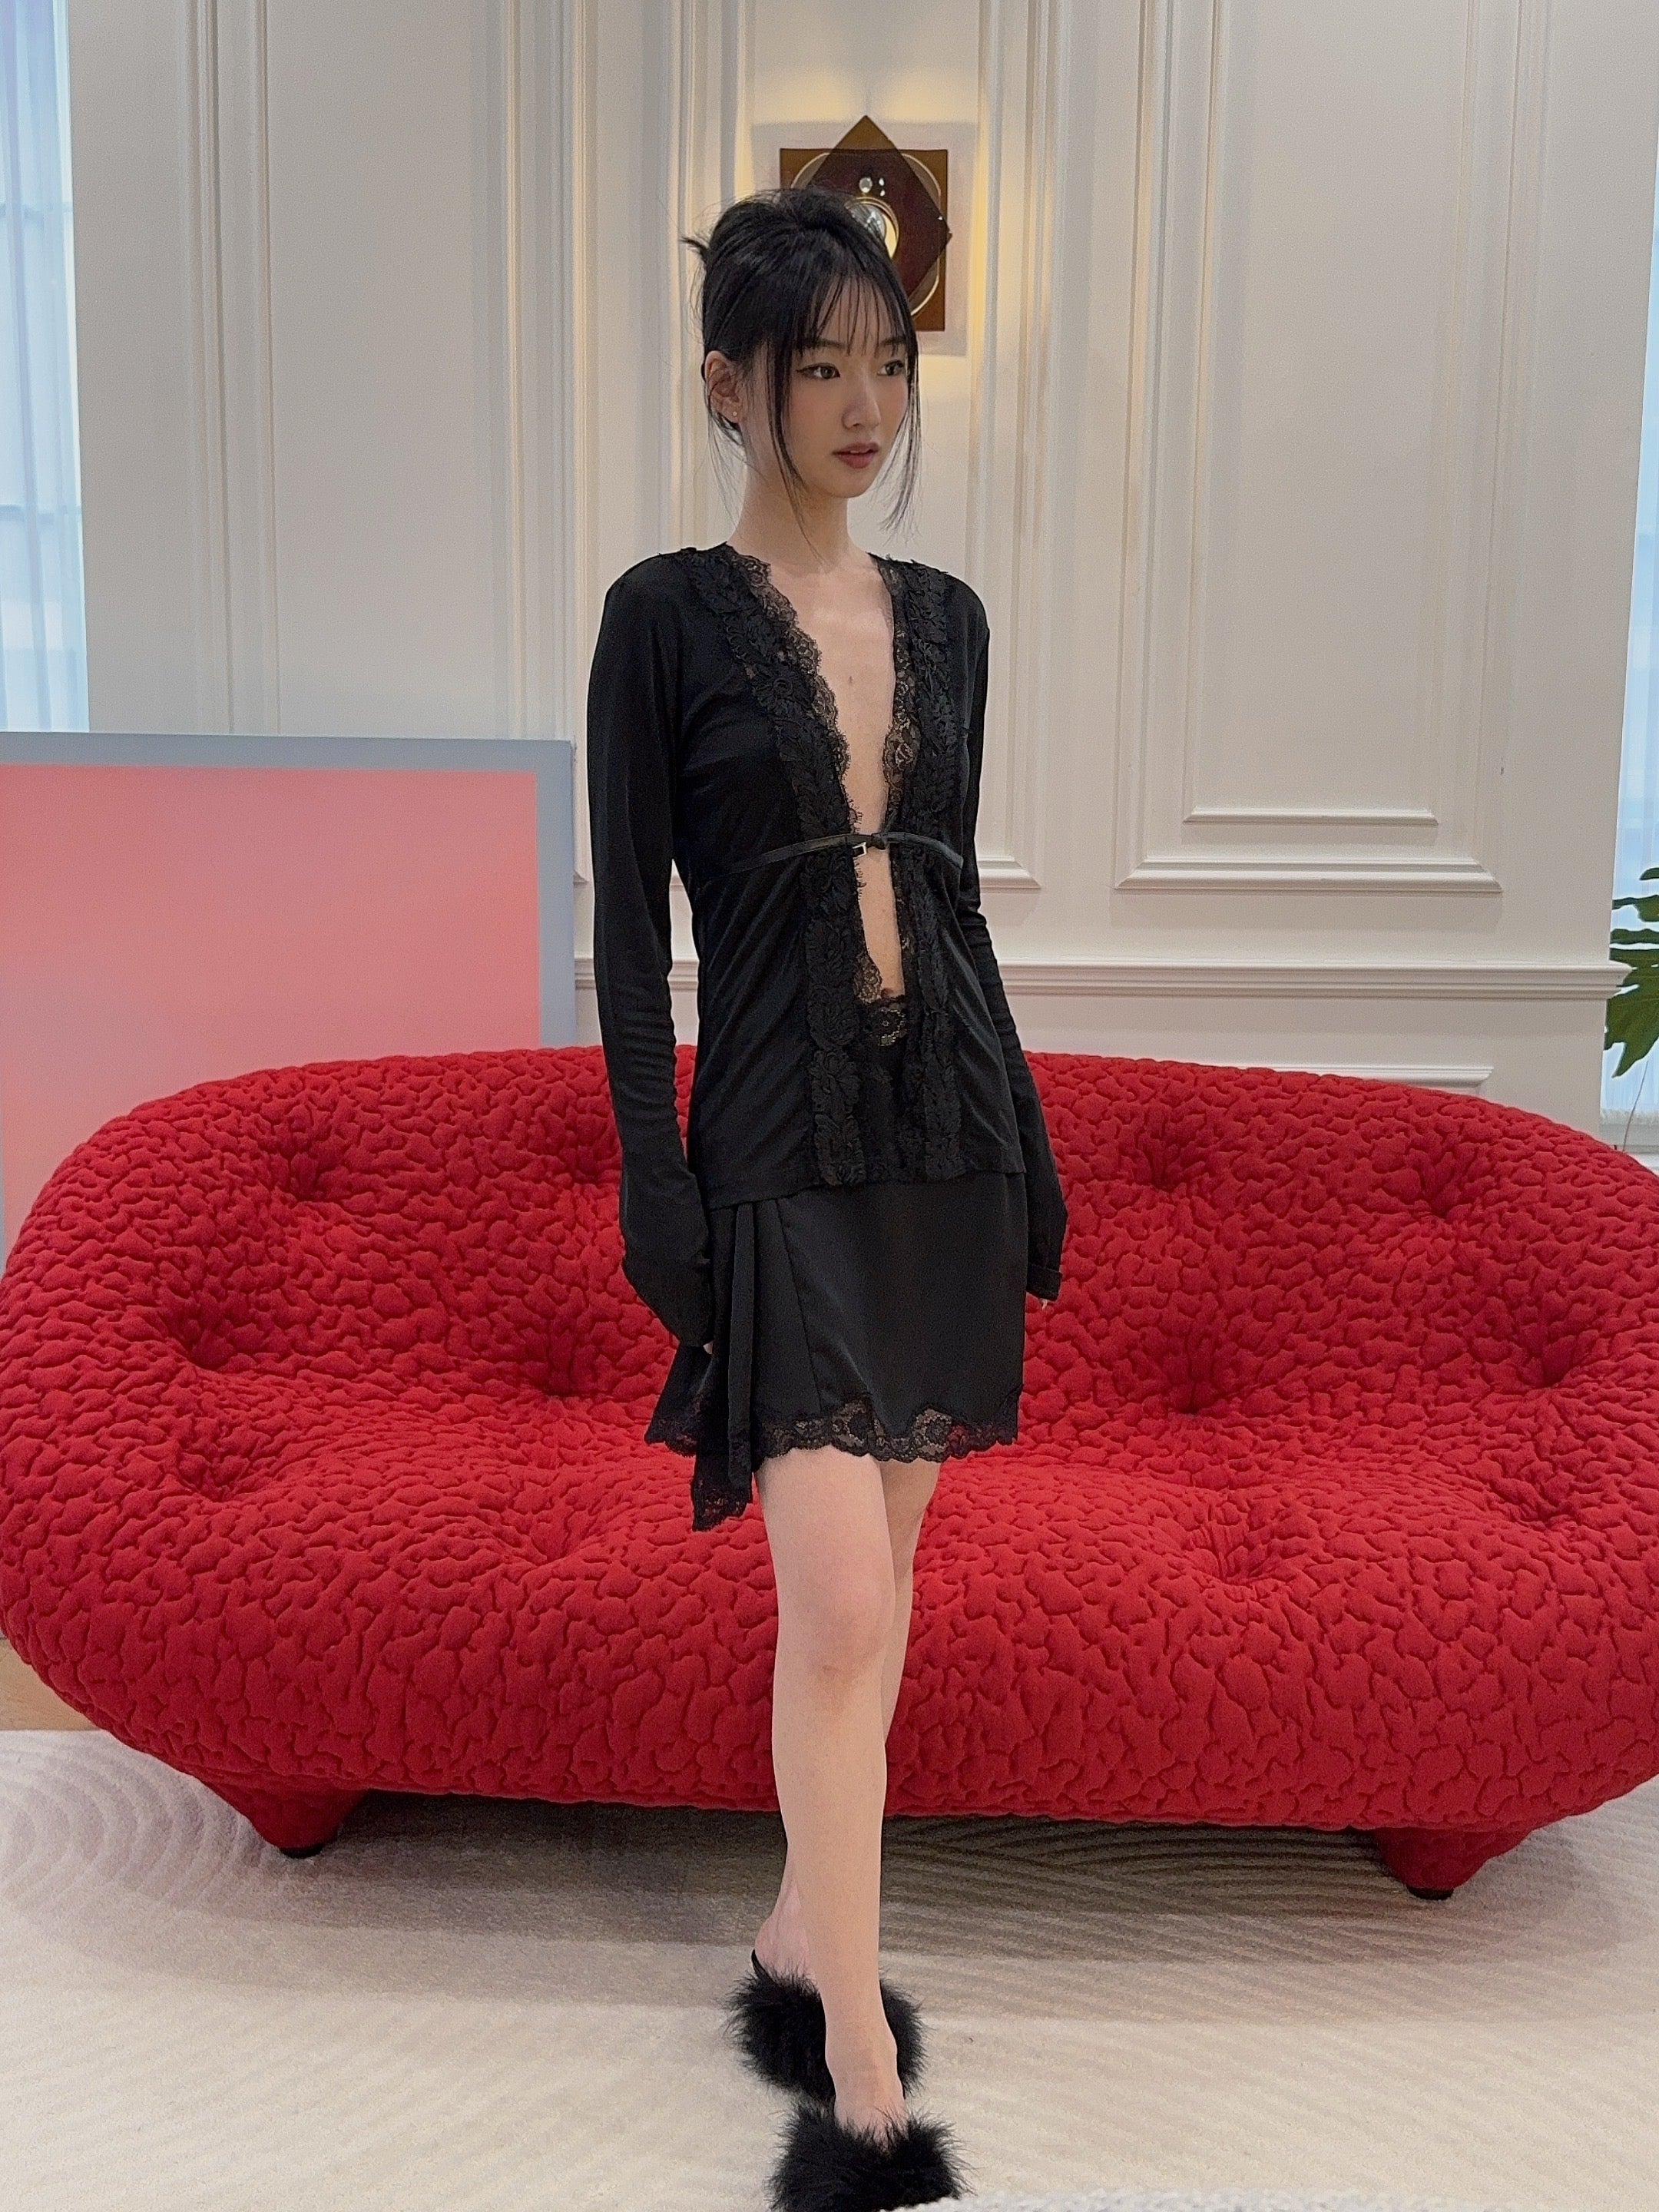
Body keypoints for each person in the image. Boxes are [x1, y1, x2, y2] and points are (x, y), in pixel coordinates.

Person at [585, 184, 1068, 2212]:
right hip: (776, 1152)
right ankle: (861, 2079)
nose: (869, 405)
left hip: (946, 1145)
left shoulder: (950, 618)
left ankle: (803, 1932)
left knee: (886, 1612)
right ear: (733, 386)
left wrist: (1030, 1142)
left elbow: (952, 908)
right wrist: (657, 1188)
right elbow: (630, 939)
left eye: (893, 364)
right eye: (824, 368)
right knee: (842, 1606)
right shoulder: (664, 617)